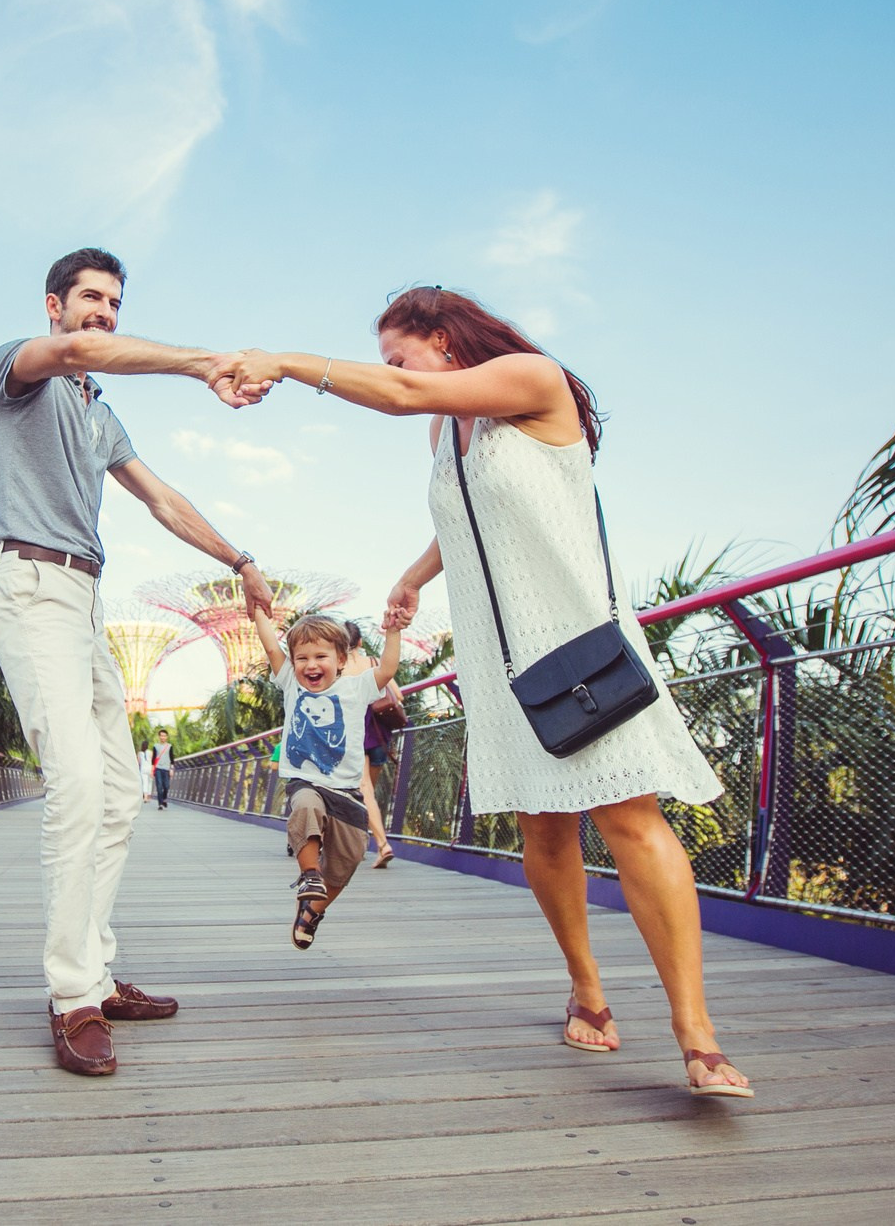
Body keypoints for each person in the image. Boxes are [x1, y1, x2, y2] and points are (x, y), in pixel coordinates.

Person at [213, 286, 754, 1099]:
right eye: (392, 359)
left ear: (440, 338)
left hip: (576, 646)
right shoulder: (448, 430)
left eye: (401, 353)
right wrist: (414, 575)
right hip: (501, 670)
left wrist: (286, 363)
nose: (396, 370)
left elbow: (401, 394)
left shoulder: (533, 379)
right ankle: (589, 993)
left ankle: (697, 1034)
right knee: (544, 831)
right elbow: (465, 510)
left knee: (630, 819)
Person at [0, 247, 275, 1078]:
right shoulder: (19, 370)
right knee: (74, 783)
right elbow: (73, 353)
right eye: (91, 298)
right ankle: (70, 995)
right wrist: (198, 362)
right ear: (53, 304)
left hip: (84, 599)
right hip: (31, 583)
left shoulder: (98, 410)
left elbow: (161, 498)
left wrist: (239, 559)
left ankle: (96, 974)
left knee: (120, 791)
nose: (103, 311)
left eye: (113, 301)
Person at [249, 607, 404, 949]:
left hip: (346, 790)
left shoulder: (356, 688)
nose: (311, 665)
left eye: (321, 656)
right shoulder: (290, 682)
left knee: (348, 858)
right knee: (304, 807)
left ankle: (312, 912)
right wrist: (259, 611)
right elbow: (272, 647)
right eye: (301, 658)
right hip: (305, 780)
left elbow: (389, 669)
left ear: (342, 659)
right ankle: (308, 876)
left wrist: (393, 632)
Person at [341, 620, 399, 868]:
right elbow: (399, 693)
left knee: (365, 792)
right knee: (367, 792)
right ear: (361, 642)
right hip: (380, 735)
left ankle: (382, 844)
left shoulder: (340, 669)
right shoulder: (373, 664)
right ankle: (363, 839)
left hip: (358, 733)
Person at [149, 728, 174, 810]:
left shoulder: (169, 746)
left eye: (164, 736)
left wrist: (171, 769)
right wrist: (152, 770)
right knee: (159, 786)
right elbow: (153, 759)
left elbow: (172, 758)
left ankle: (164, 799)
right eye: (161, 736)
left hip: (166, 768)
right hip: (158, 768)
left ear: (167, 737)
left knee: (166, 786)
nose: (163, 737)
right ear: (159, 737)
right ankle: (160, 804)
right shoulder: (155, 746)